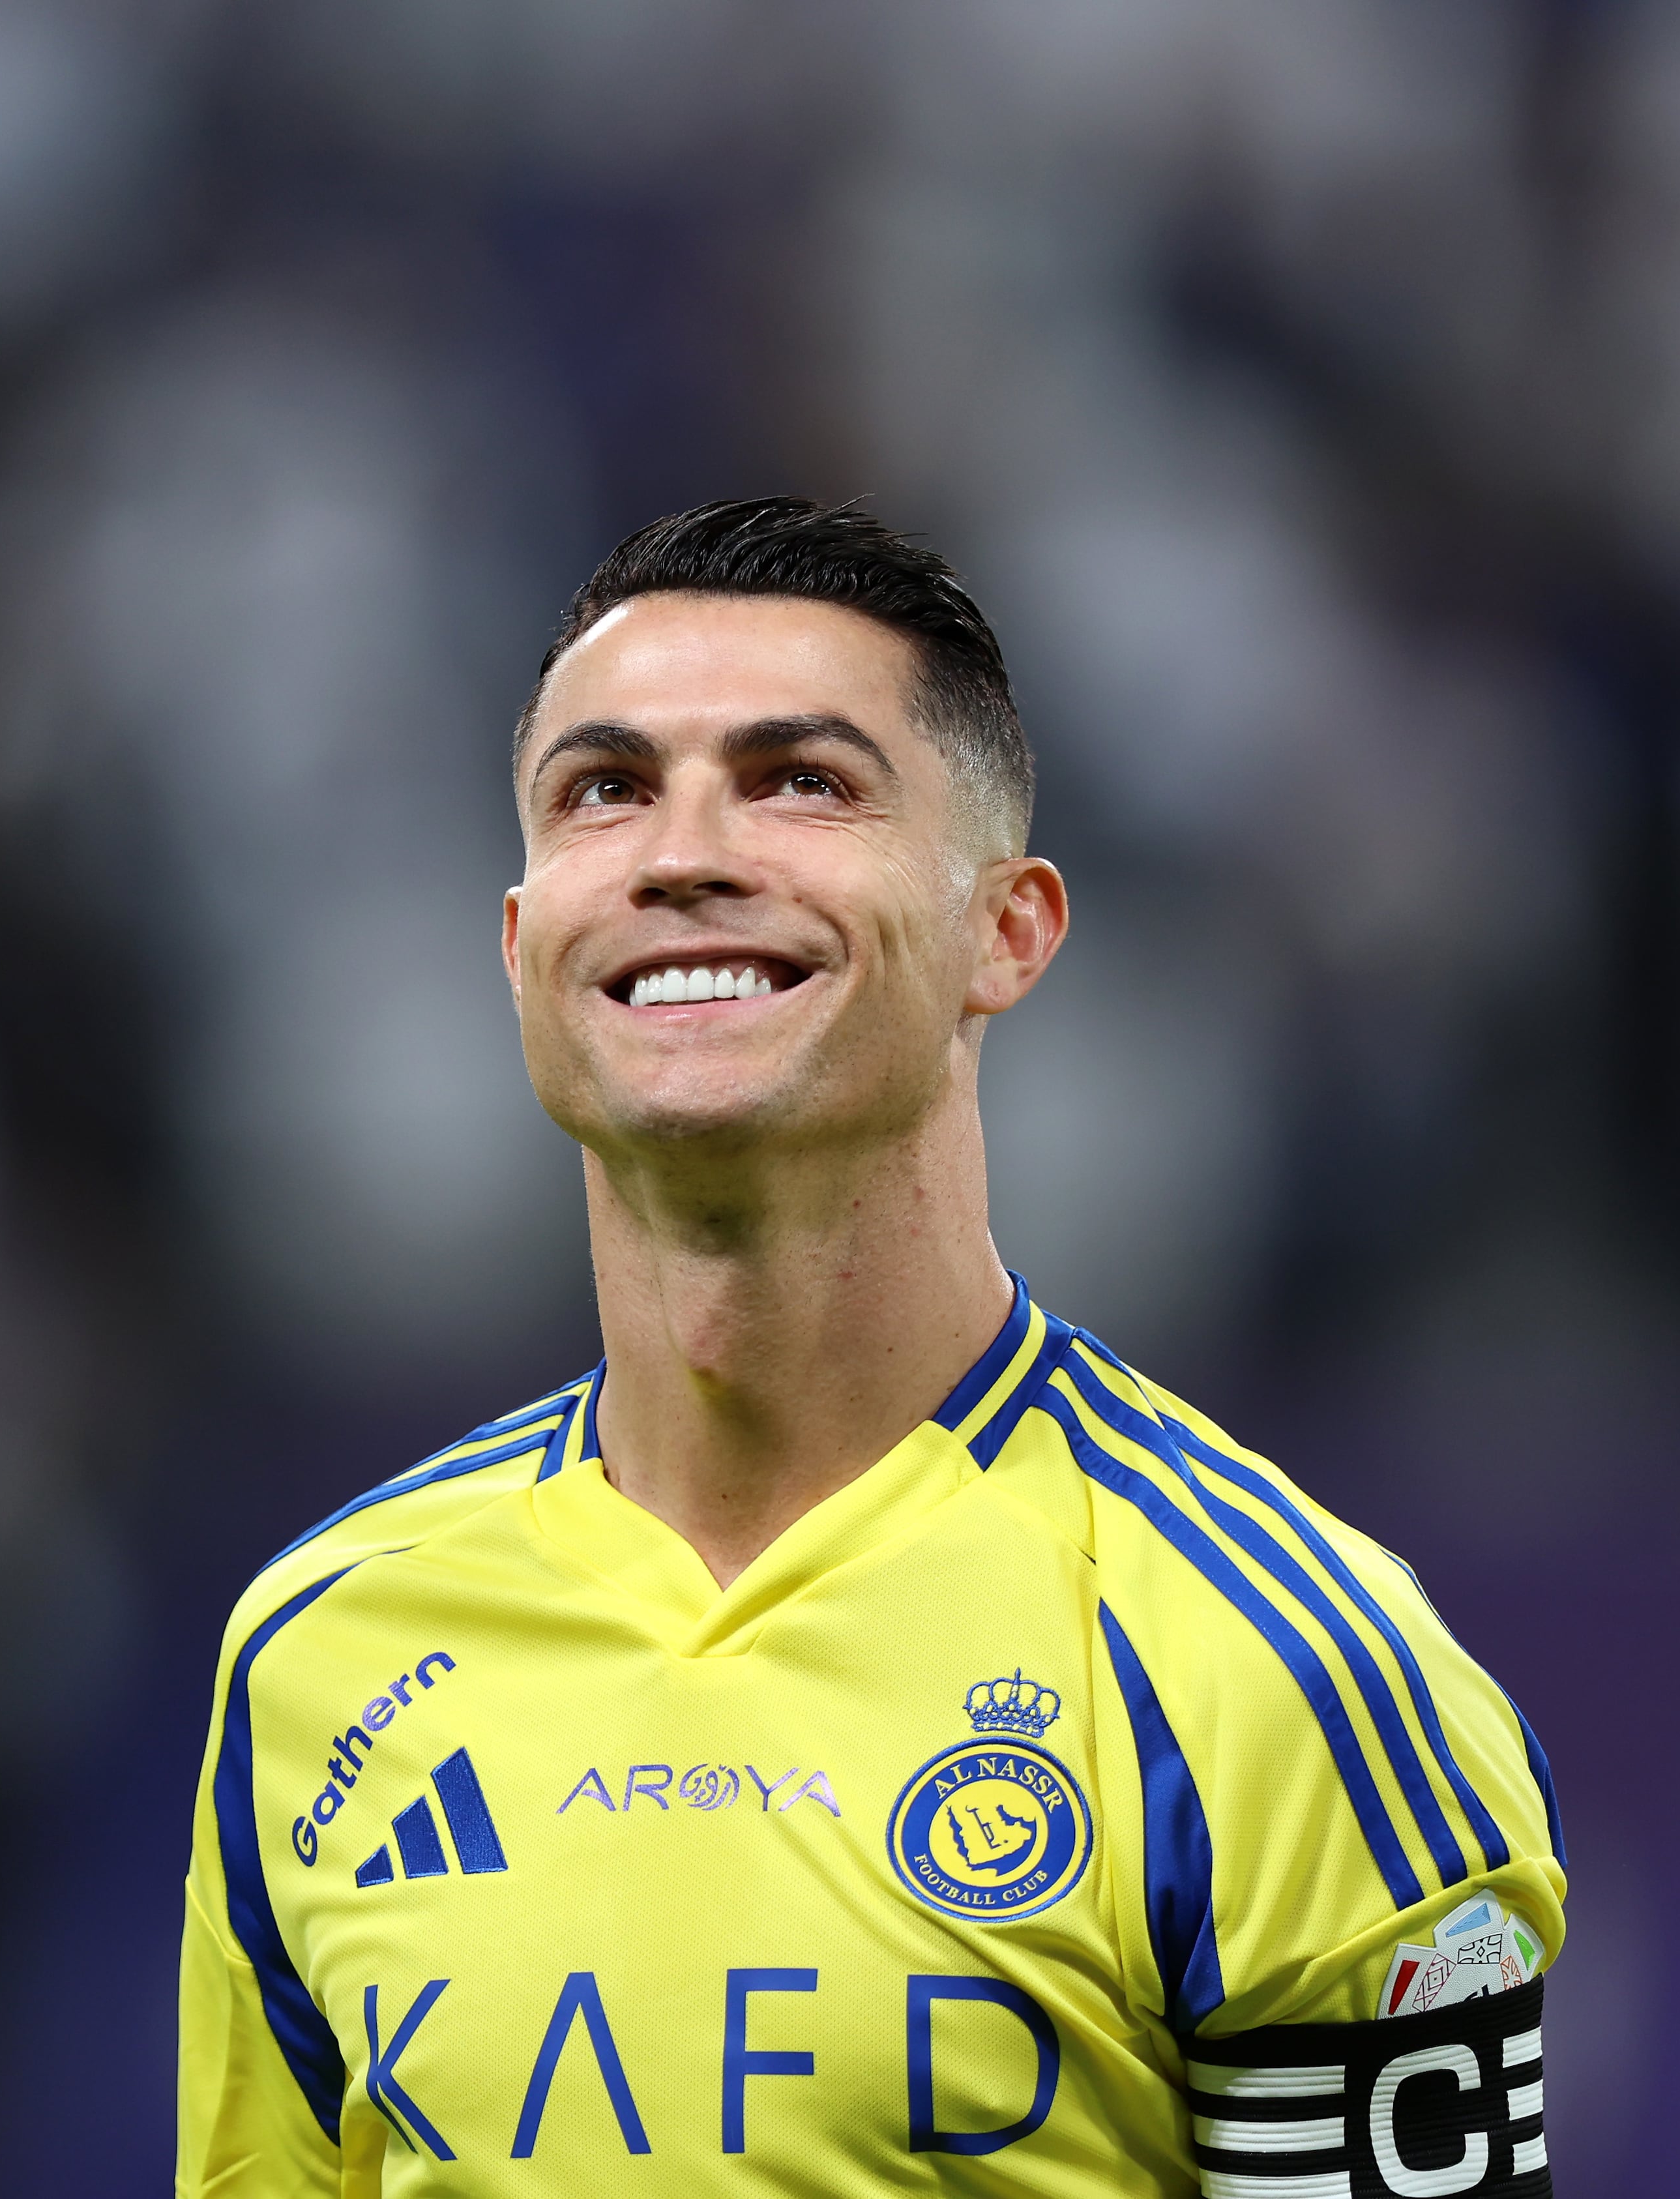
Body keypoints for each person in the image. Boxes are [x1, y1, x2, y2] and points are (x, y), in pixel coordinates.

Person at [177, 498, 1565, 2196]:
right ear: (524, 947)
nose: (683, 854)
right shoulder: (322, 1652)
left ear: (1009, 930)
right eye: (605, 790)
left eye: (801, 781)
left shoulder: (1283, 1675)